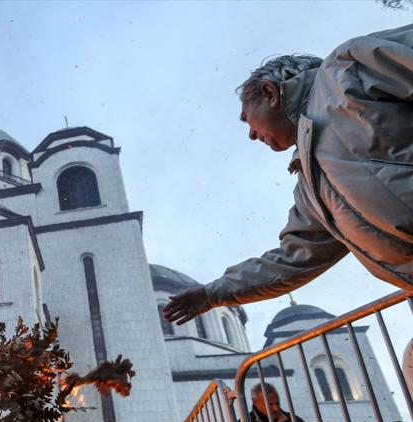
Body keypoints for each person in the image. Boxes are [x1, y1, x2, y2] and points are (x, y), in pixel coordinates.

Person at [163, 25, 413, 326]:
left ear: (269, 93)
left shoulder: (348, 69)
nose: (252, 135)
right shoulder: (313, 186)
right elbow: (296, 257)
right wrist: (212, 294)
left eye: (247, 120)